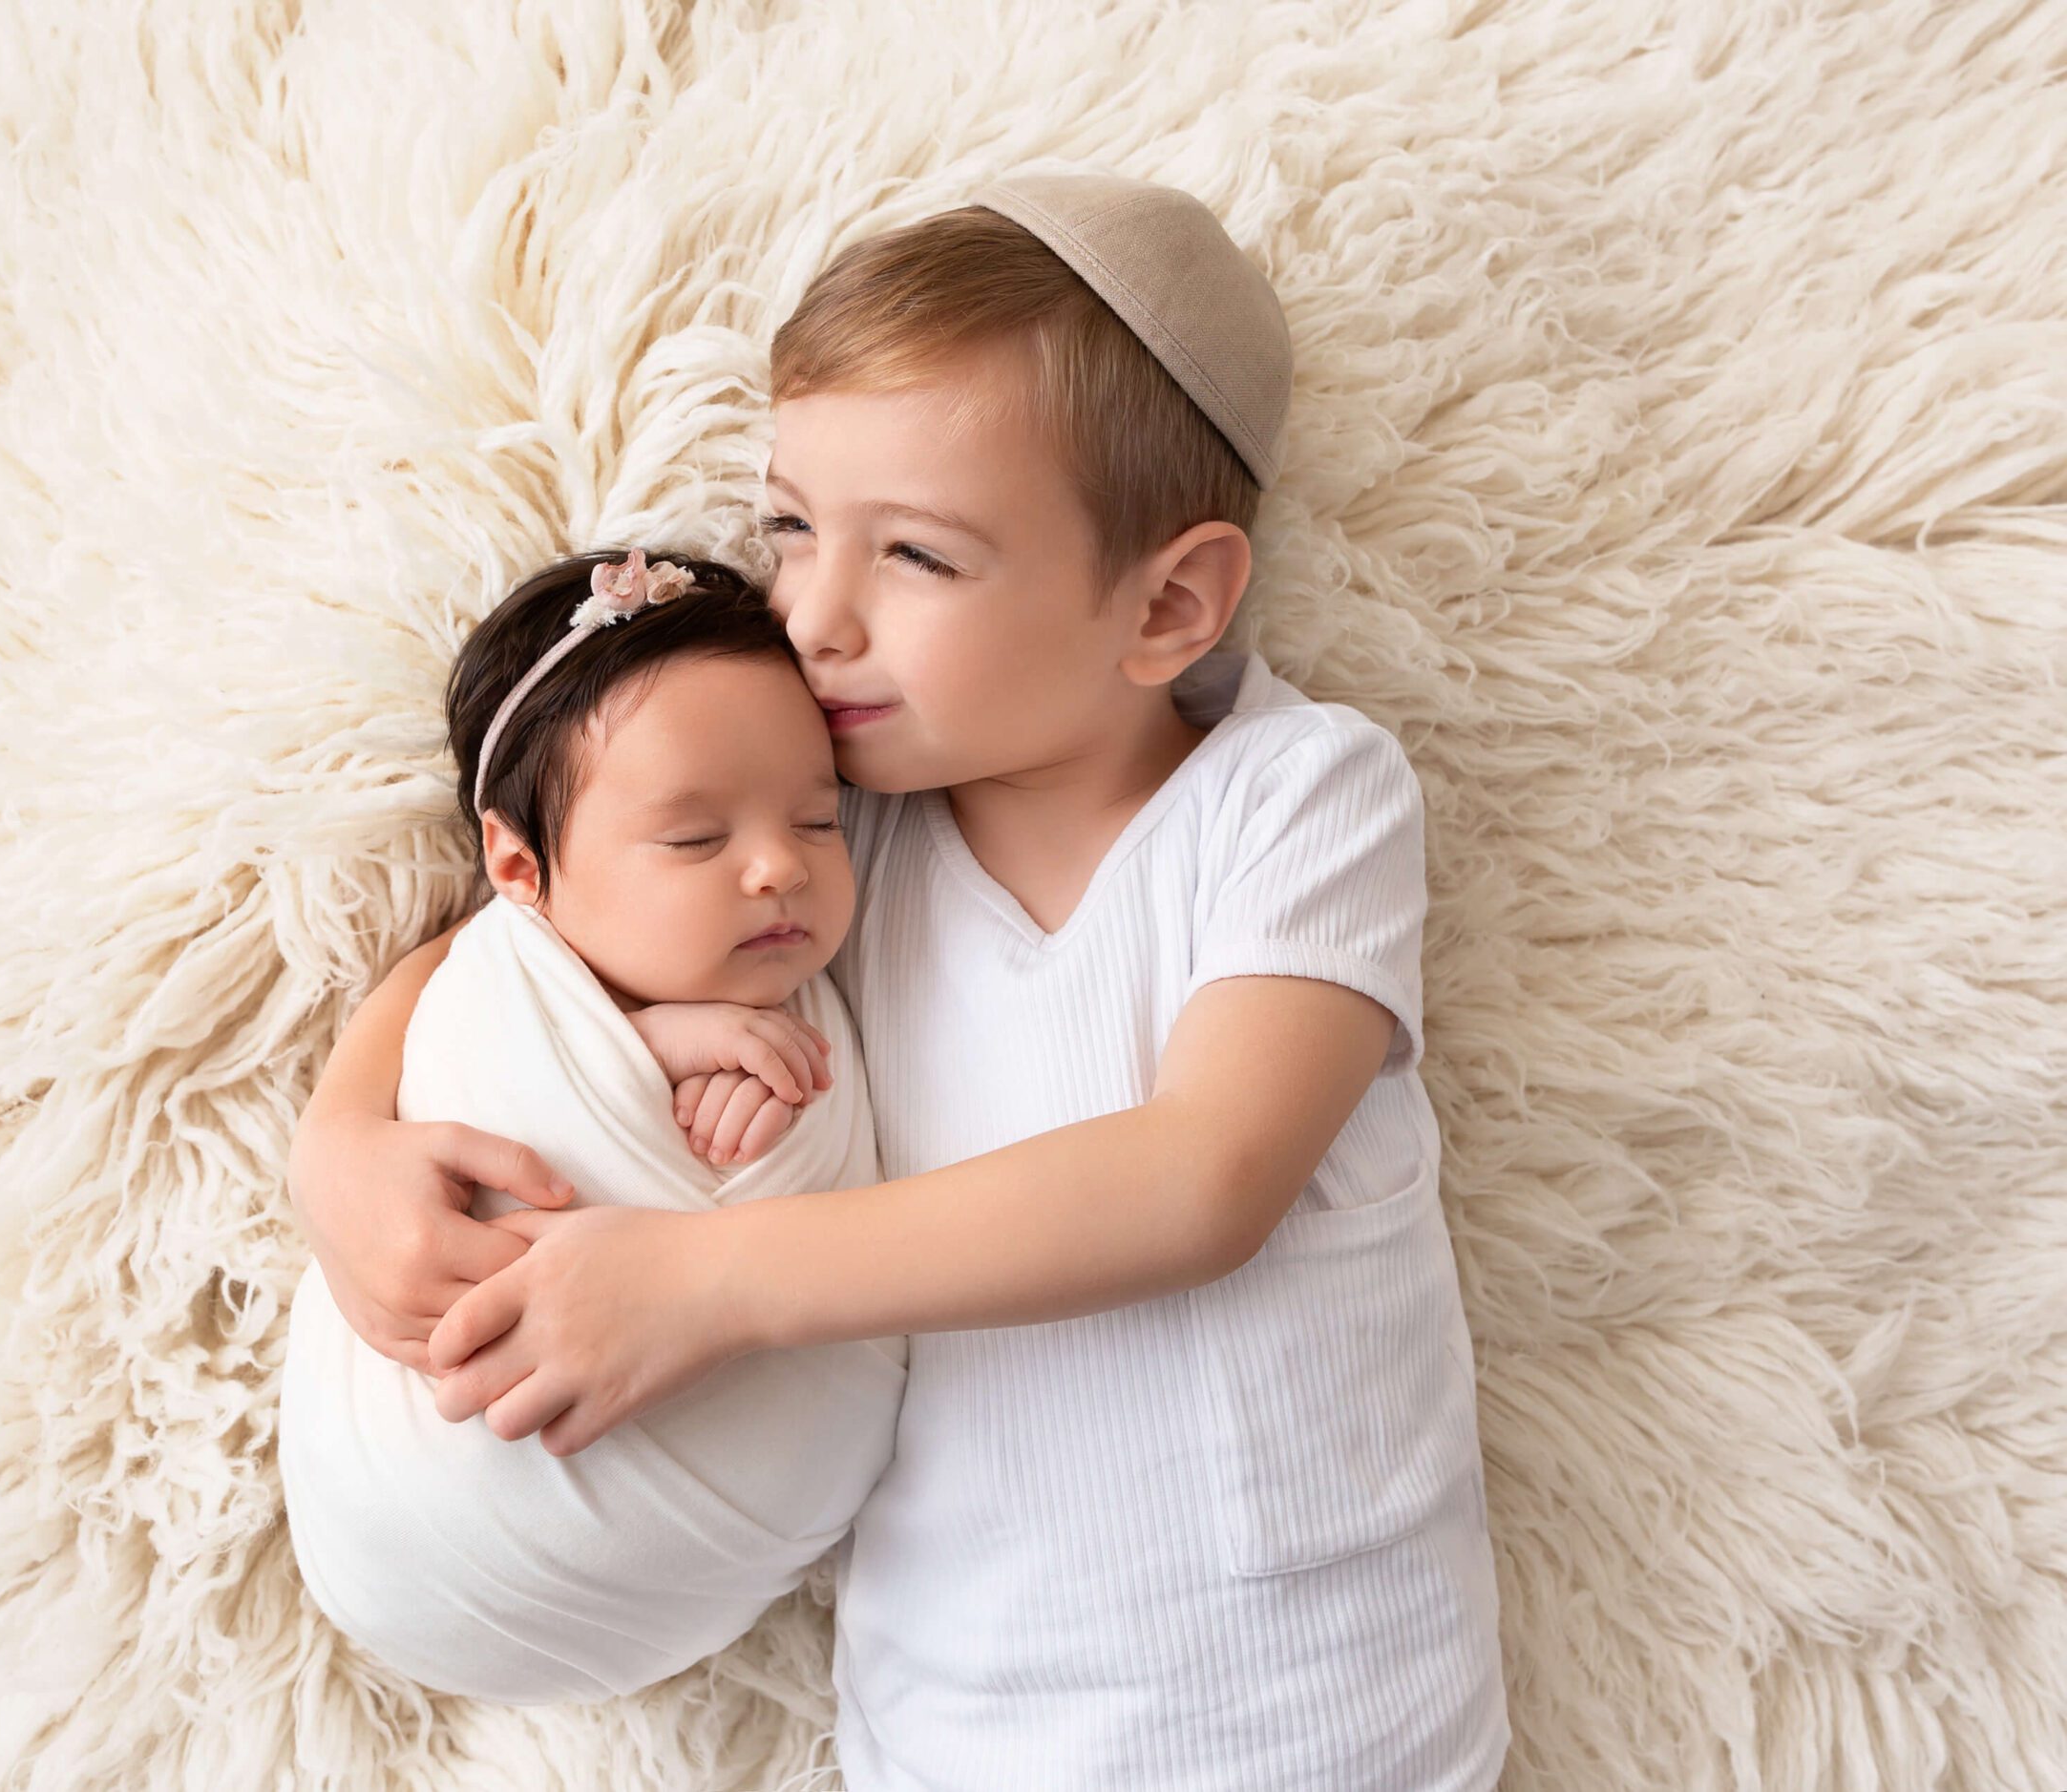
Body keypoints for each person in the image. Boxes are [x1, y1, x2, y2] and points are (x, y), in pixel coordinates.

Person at [285, 172, 1509, 1789]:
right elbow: (512, 928)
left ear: (1168, 604)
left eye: (916, 555)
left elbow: (1202, 1178)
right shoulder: (829, 836)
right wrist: (341, 1140)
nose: (811, 613)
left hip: (1319, 1708)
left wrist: (704, 1281)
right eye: (792, 525)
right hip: (962, 1719)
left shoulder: (1292, 799)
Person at [278, 548, 907, 1705]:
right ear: (520, 864)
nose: (781, 866)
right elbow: (480, 1020)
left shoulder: (816, 996)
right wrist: (641, 1045)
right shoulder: (496, 986)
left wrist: (741, 1079)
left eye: (819, 818)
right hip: (416, 1519)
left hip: (707, 1561)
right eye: (694, 840)